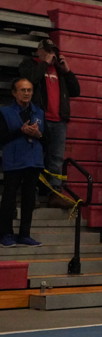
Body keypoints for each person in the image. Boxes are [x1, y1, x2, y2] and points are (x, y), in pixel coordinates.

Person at [18, 39, 80, 201]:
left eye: (53, 51)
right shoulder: (30, 64)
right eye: (47, 50)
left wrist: (68, 71)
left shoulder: (59, 71)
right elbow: (30, 80)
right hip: (38, 118)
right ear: (39, 51)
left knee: (56, 157)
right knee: (35, 155)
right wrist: (44, 63)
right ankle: (32, 191)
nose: (51, 54)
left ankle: (55, 192)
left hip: (59, 120)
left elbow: (76, 91)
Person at [0, 79, 45, 247]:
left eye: (29, 90)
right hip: (13, 160)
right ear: (14, 93)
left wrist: (38, 135)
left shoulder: (39, 112)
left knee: (29, 199)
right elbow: (2, 137)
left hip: (33, 161)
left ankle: (25, 234)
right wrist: (21, 131)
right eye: (23, 90)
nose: (26, 93)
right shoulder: (4, 112)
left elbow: (47, 139)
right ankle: (5, 233)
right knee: (9, 198)